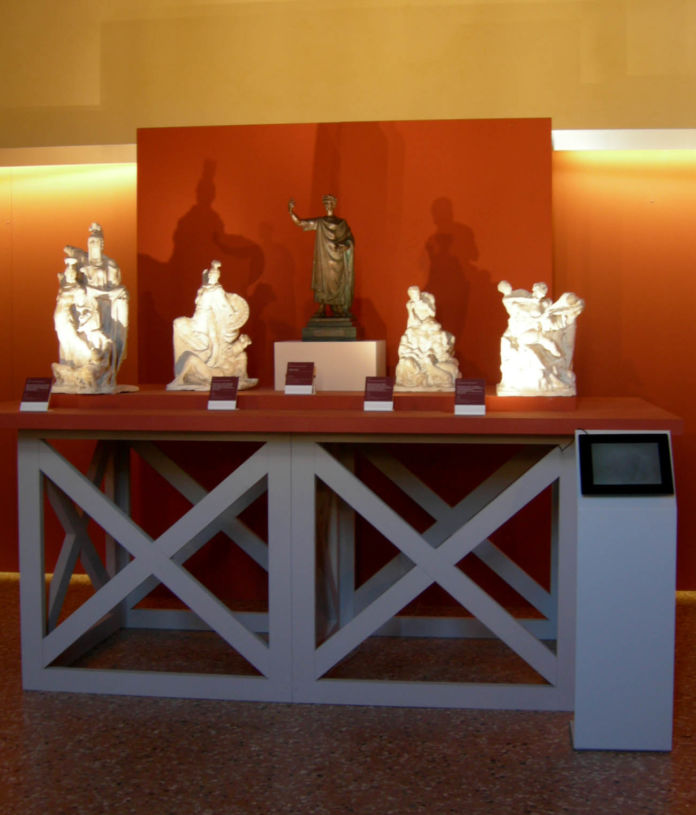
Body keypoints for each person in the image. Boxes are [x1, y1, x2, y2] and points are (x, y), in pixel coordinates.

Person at [168, 260, 257, 390]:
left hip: (207, 319)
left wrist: (233, 316)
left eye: (214, 276)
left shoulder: (217, 291)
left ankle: (207, 355)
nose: (211, 277)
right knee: (178, 323)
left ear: (217, 277)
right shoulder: (204, 288)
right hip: (198, 318)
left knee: (212, 340)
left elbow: (225, 306)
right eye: (210, 275)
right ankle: (188, 362)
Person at [288, 195, 354, 317]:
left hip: (337, 258)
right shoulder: (320, 222)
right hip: (324, 257)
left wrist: (345, 245)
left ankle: (337, 306)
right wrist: (291, 212)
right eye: (326, 203)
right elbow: (301, 222)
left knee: (336, 282)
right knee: (322, 280)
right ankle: (322, 305)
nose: (329, 205)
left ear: (334, 204)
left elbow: (350, 239)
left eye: (331, 203)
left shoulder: (341, 223)